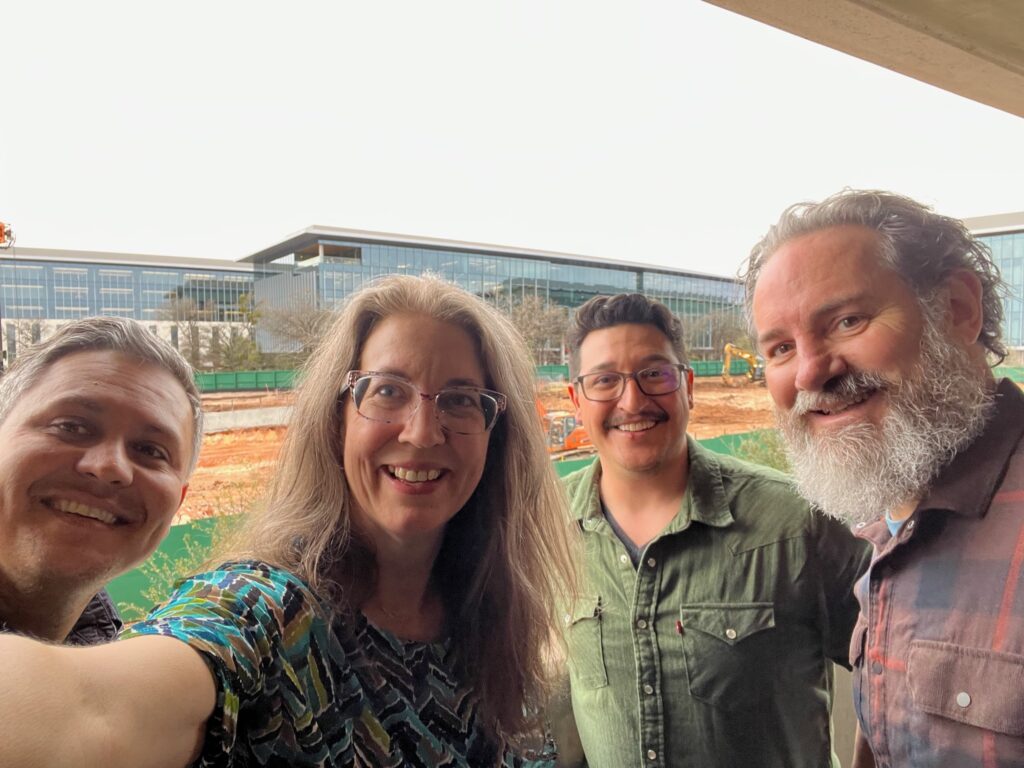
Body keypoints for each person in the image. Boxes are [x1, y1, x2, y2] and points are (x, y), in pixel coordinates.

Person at [0, 274, 578, 768]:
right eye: (387, 391)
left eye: (460, 399)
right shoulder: (266, 609)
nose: (422, 433)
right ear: (336, 422)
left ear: (496, 436)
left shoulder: (501, 617)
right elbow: (93, 712)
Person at [744, 189, 1024, 768]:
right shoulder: (885, 516)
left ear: (957, 309)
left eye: (847, 320)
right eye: (780, 348)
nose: (811, 371)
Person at [556, 293, 871, 768]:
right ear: (576, 401)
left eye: (654, 374)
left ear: (688, 386)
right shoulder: (547, 527)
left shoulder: (795, 521)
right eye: (605, 381)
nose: (633, 400)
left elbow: (899, 676)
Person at [0, 316, 201, 645]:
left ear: (178, 501)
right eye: (71, 426)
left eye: (150, 450)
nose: (109, 467)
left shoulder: (98, 638)